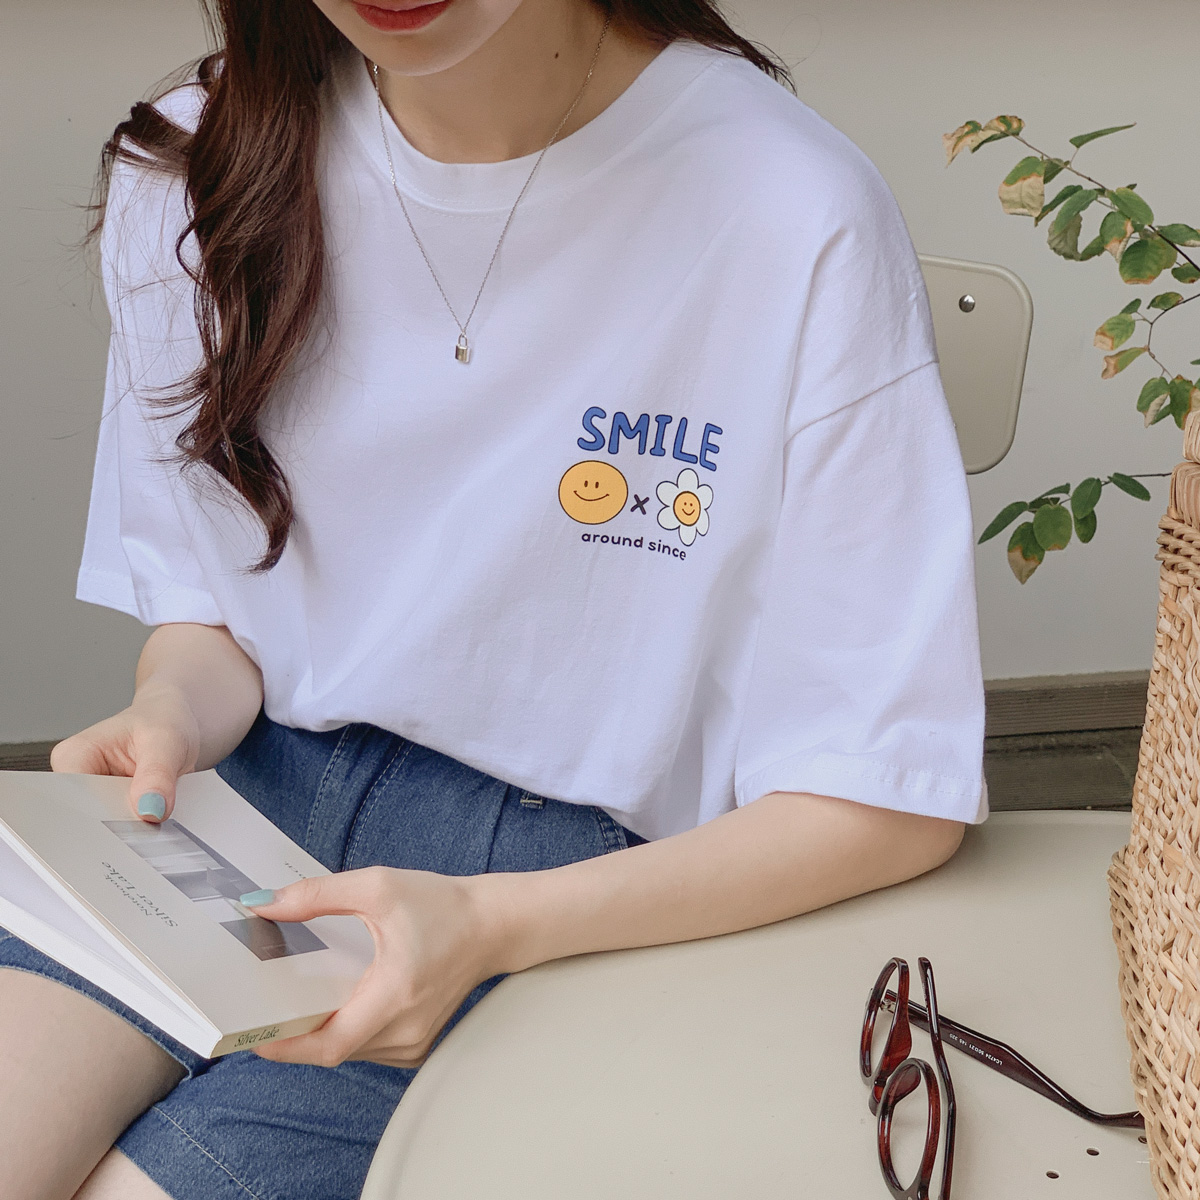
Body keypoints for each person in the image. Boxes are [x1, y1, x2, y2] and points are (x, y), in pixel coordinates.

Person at [0, 0, 987, 1196]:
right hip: (231, 813)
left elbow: (887, 799)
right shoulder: (202, 162)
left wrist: (499, 925)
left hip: (563, 888)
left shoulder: (787, 206)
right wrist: (170, 706)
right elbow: (221, 620)